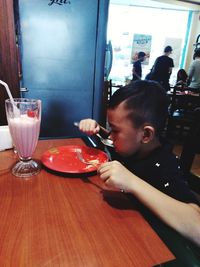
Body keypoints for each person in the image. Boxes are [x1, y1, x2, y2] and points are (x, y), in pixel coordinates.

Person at [78, 80, 200, 247]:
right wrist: (97, 128)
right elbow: (115, 140)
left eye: (115, 130)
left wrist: (132, 182)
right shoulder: (132, 145)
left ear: (146, 135)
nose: (111, 137)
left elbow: (196, 227)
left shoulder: (164, 165)